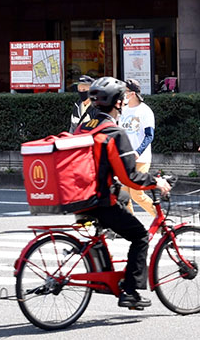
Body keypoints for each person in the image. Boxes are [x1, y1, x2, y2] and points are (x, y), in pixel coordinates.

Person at [76, 77, 171, 309]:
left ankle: (105, 278)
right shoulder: (114, 133)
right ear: (118, 103)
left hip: (80, 198)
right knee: (139, 236)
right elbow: (131, 177)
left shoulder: (84, 127)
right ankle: (129, 291)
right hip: (101, 200)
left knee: (110, 224)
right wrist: (156, 182)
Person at [119, 79, 157, 217]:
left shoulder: (145, 111)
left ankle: (160, 218)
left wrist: (138, 151)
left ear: (133, 93)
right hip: (125, 158)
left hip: (141, 158)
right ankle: (130, 225)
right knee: (123, 194)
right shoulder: (123, 109)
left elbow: (149, 136)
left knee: (137, 193)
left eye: (125, 92)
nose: (123, 94)